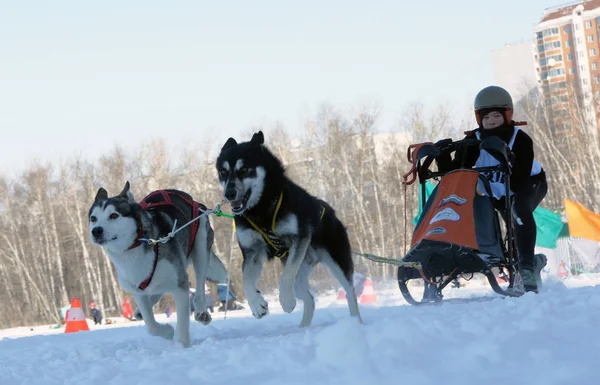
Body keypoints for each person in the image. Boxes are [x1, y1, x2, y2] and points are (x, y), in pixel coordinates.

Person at [437, 85, 548, 293]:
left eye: (496, 116)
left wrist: (501, 153)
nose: (491, 121)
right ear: (479, 119)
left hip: (530, 183)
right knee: (511, 230)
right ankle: (532, 262)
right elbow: (455, 173)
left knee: (519, 212)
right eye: (486, 118)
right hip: (498, 191)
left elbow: (517, 181)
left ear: (507, 115)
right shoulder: (474, 140)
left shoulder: (520, 138)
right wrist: (441, 155)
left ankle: (525, 269)